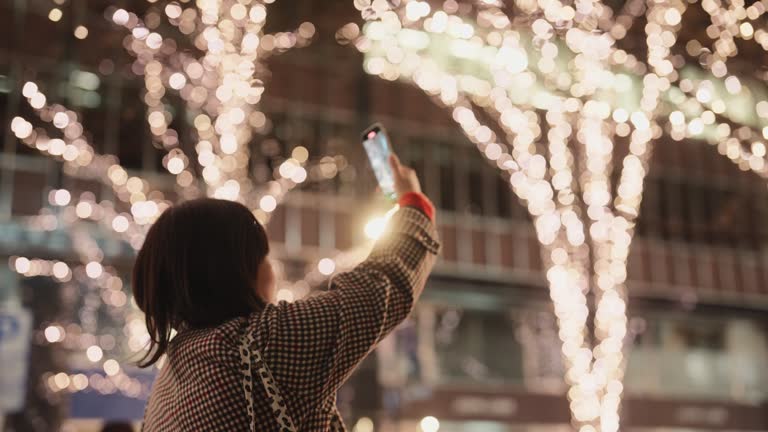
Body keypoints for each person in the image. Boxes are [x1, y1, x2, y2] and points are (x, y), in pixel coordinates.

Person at [133, 154, 440, 431]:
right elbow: (380, 287)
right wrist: (413, 203)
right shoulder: (263, 345)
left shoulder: (173, 374)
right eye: (264, 256)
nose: (274, 269)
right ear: (234, 271)